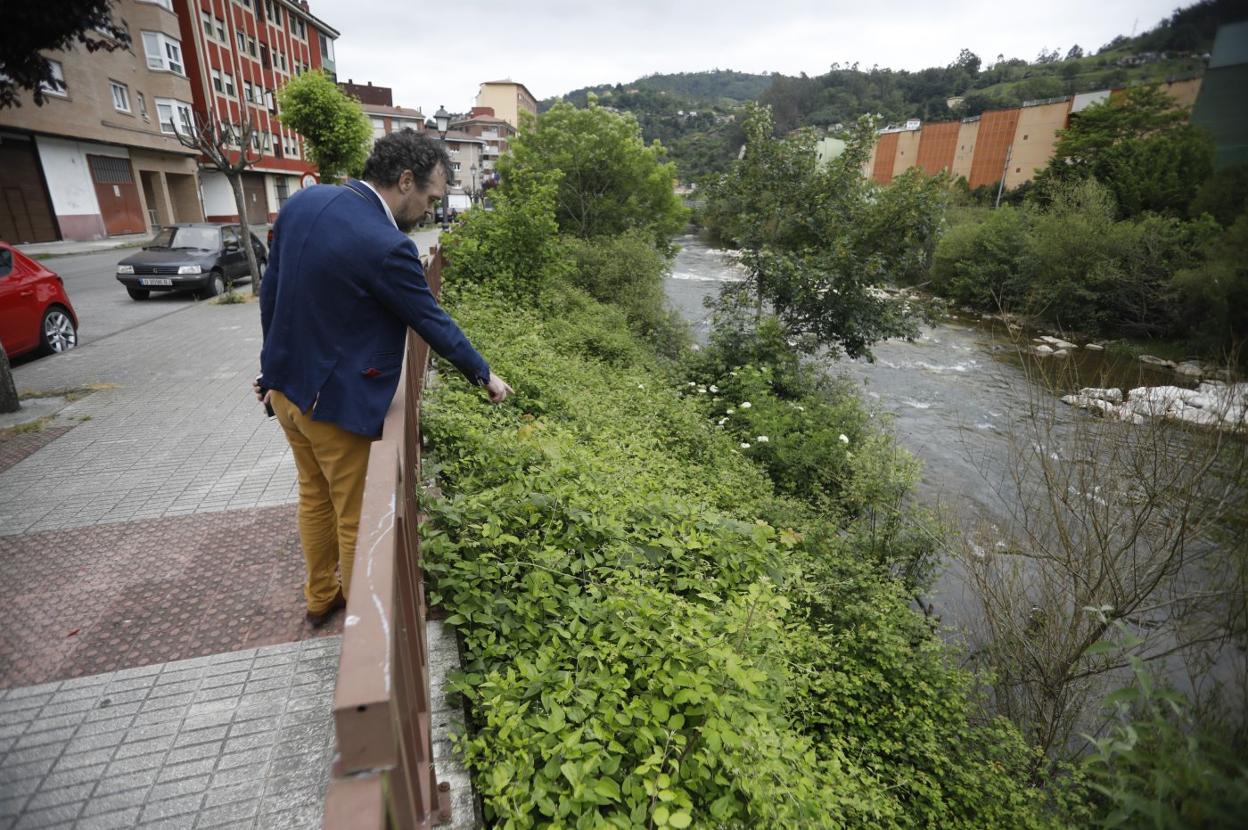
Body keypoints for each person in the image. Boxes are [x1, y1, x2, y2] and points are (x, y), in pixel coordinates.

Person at [255, 129, 512, 626]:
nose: (431, 212)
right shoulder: (387, 244)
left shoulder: (304, 205)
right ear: (406, 180)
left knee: (313, 496)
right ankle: (361, 630)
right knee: (354, 517)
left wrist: (271, 370)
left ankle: (319, 597)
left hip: (286, 392)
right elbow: (431, 321)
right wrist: (484, 375)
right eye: (431, 199)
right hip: (332, 407)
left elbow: (273, 293)